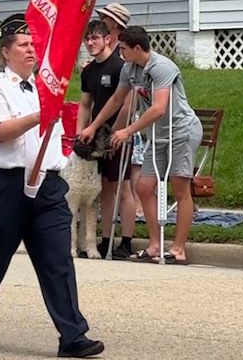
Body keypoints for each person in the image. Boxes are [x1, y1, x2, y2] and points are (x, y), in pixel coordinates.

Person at [0, 14, 103, 358]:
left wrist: (49, 109)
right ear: (6, 52)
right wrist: (39, 116)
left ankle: (73, 336)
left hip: (48, 187)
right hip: (7, 187)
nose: (31, 50)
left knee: (58, 261)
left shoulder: (45, 88)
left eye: (34, 45)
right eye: (23, 45)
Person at [81, 26, 203, 265]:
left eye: (124, 49)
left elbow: (158, 108)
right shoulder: (130, 68)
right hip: (157, 134)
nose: (121, 53)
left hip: (181, 131)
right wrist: (94, 127)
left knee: (180, 187)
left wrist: (128, 131)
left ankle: (178, 248)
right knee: (144, 187)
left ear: (137, 48)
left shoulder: (162, 67)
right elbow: (117, 99)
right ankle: (155, 245)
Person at [77, 19, 136, 259]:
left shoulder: (121, 67)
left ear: (108, 39)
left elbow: (128, 104)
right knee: (104, 188)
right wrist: (81, 131)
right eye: (87, 39)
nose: (90, 43)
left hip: (118, 134)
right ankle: (106, 239)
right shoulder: (89, 71)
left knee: (123, 187)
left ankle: (127, 241)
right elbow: (85, 104)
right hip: (95, 135)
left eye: (95, 38)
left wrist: (116, 134)